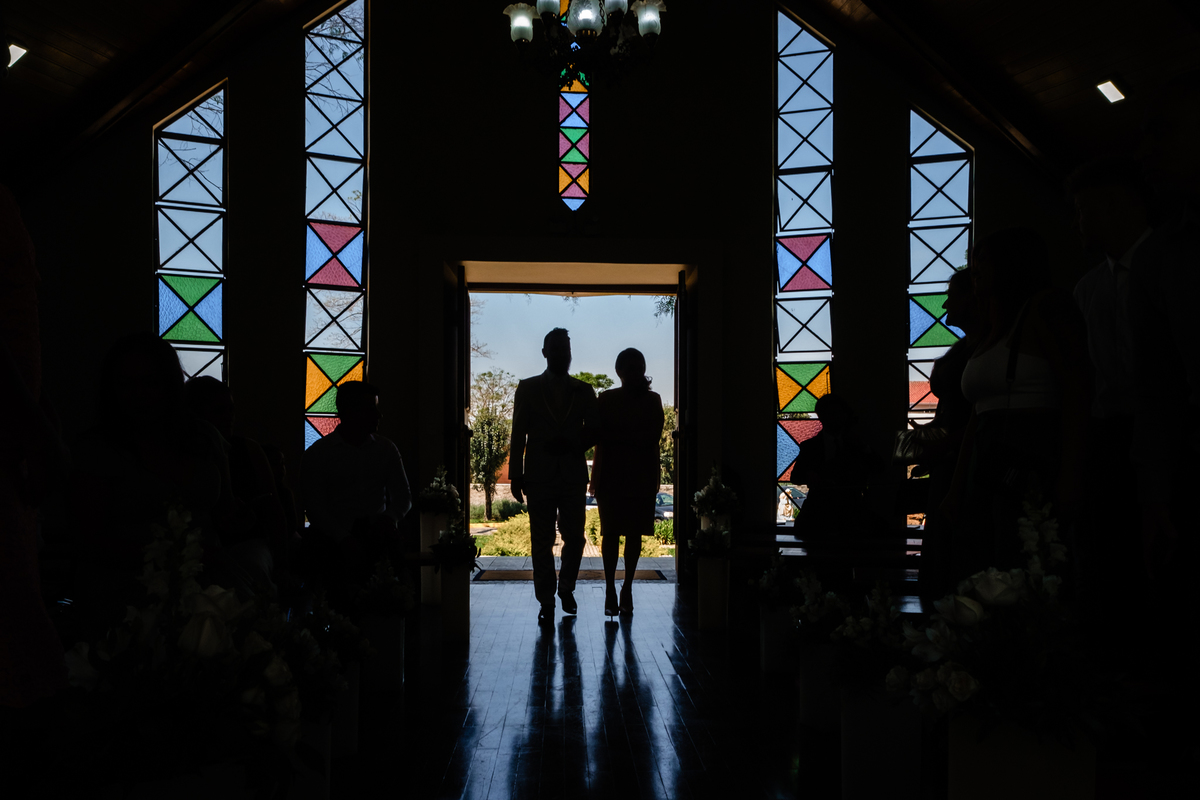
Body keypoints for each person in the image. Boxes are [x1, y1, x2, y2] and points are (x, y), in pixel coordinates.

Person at [944, 228, 1090, 582]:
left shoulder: (1045, 308)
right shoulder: (996, 326)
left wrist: (1072, 475)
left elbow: (1079, 391)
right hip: (990, 457)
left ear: (1011, 265)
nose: (973, 268)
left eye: (983, 261)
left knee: (1025, 561)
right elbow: (979, 415)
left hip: (1029, 450)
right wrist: (955, 490)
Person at [1067, 157, 1153, 604]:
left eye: (1084, 210)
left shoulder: (1170, 265)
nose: (1079, 222)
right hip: (1110, 436)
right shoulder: (1087, 289)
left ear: (1116, 206)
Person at [509, 329, 598, 622]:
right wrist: (516, 475)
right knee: (541, 539)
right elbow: (518, 433)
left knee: (576, 537)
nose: (563, 354)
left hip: (572, 475)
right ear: (545, 352)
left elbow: (595, 431)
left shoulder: (585, 391)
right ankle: (546, 600)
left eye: (566, 349)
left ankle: (567, 588)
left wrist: (572, 444)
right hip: (538, 475)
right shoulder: (528, 388)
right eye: (557, 349)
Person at [301, 380, 411, 609]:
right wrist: (343, 538)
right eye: (372, 408)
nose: (379, 415)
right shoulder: (319, 455)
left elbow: (403, 498)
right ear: (349, 412)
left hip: (375, 534)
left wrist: (387, 520)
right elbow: (314, 508)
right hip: (332, 540)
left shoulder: (386, 449)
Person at [913, 267, 982, 595]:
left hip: (966, 462)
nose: (944, 305)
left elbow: (980, 417)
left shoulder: (982, 348)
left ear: (974, 296)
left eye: (952, 296)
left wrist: (940, 444)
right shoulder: (969, 347)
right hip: (948, 459)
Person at [589, 348, 664, 617]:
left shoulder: (606, 400)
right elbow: (650, 439)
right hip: (640, 475)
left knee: (612, 533)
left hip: (611, 474)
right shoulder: (652, 401)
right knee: (631, 534)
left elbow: (600, 437)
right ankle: (625, 588)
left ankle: (613, 588)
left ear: (617, 370)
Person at [183, 376, 288, 555]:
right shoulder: (183, 455)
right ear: (196, 414)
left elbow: (275, 513)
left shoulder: (249, 449)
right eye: (219, 411)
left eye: (231, 410)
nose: (229, 417)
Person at [789, 393, 881, 542]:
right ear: (822, 417)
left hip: (850, 516)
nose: (837, 418)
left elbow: (878, 468)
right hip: (821, 515)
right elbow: (795, 477)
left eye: (838, 414)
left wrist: (864, 447)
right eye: (832, 414)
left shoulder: (856, 444)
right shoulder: (810, 447)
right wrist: (810, 476)